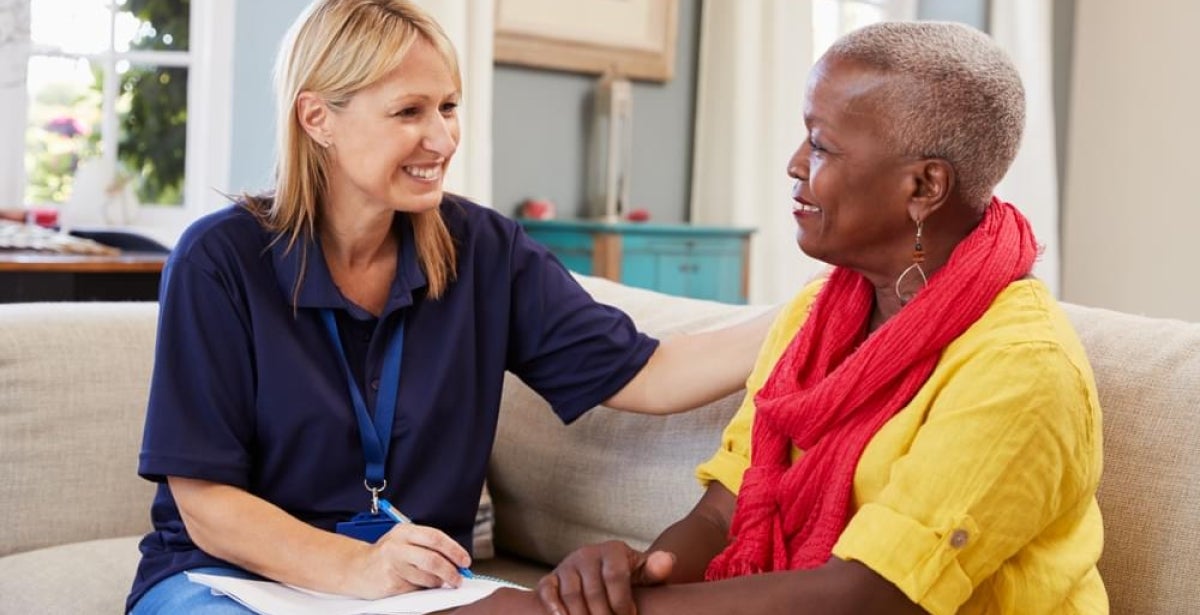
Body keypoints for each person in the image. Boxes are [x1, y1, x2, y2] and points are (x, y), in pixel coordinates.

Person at [125, 1, 776, 612]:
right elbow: (205, 502)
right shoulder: (218, 260)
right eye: (409, 112)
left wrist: (815, 307)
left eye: (448, 106)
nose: (441, 137)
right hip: (227, 581)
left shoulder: (486, 250)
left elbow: (649, 372)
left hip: (415, 587)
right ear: (317, 117)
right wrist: (356, 566)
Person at [459, 20, 1106, 615]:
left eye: (822, 146)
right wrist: (636, 574)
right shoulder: (815, 314)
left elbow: (875, 594)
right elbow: (722, 516)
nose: (795, 164)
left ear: (924, 187)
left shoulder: (1023, 368)